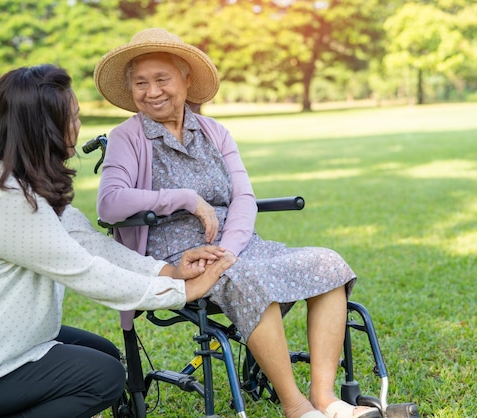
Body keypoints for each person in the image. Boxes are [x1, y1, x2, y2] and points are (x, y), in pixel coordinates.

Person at [0, 64, 236, 418]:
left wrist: (169, 271)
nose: (78, 127)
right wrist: (182, 293)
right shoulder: (8, 199)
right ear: (44, 129)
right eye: (72, 117)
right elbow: (86, 272)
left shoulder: (15, 180)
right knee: (104, 377)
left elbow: (89, 243)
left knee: (106, 355)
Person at [93, 28, 381, 418]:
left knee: (327, 263)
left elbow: (243, 197)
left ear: (186, 80)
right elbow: (110, 203)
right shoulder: (128, 137)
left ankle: (325, 398)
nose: (152, 91)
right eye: (141, 83)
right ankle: (295, 406)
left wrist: (230, 248)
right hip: (179, 258)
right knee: (244, 279)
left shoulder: (215, 132)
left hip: (237, 245)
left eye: (162, 79)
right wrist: (186, 199)